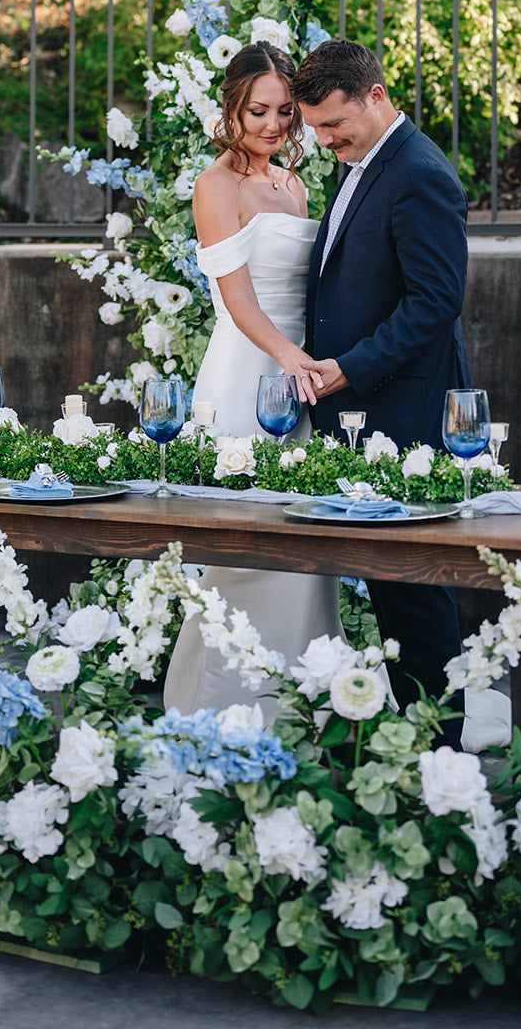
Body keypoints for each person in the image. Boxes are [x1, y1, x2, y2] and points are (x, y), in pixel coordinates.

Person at [293, 38, 482, 749]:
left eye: (333, 124)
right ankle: (410, 741)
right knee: (388, 584)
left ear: (375, 96)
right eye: (315, 128)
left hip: (403, 410)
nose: (324, 139)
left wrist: (348, 367)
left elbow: (435, 302)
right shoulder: (360, 163)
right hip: (361, 409)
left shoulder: (418, 173)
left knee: (414, 589)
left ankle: (442, 752)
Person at [162, 41, 341, 717]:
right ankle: (216, 711)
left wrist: (312, 362)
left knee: (302, 544)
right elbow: (237, 301)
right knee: (245, 549)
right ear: (230, 108)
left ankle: (296, 706)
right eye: (256, 111)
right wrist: (288, 357)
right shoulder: (215, 186)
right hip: (248, 370)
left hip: (300, 377)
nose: (272, 125)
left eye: (284, 113)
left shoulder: (292, 183)